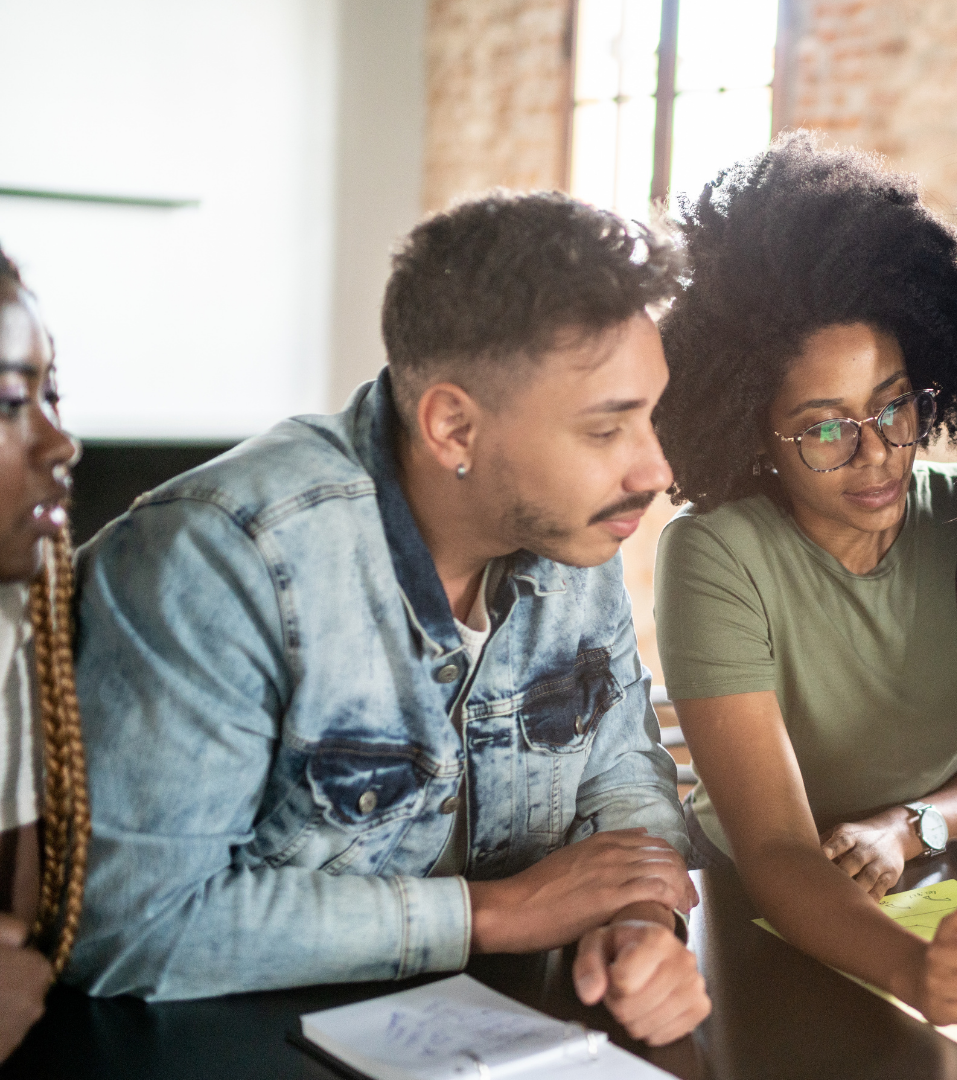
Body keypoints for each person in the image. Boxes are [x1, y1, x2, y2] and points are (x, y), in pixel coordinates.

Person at [66, 194, 709, 1044]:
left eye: (651, 415)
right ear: (453, 426)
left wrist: (638, 917)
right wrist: (493, 914)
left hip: (500, 1043)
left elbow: (622, 773)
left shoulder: (572, 531)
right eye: (605, 430)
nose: (655, 468)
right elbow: (134, 926)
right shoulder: (219, 558)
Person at [652, 133, 957, 1026]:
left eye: (895, 406)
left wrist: (909, 827)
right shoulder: (715, 553)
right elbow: (781, 852)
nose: (876, 455)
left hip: (935, 885)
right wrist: (913, 973)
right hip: (753, 911)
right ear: (754, 432)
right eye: (824, 429)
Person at [0, 245, 84, 1061]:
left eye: (49, 395)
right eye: (10, 401)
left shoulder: (24, 620)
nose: (61, 443)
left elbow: (22, 944)